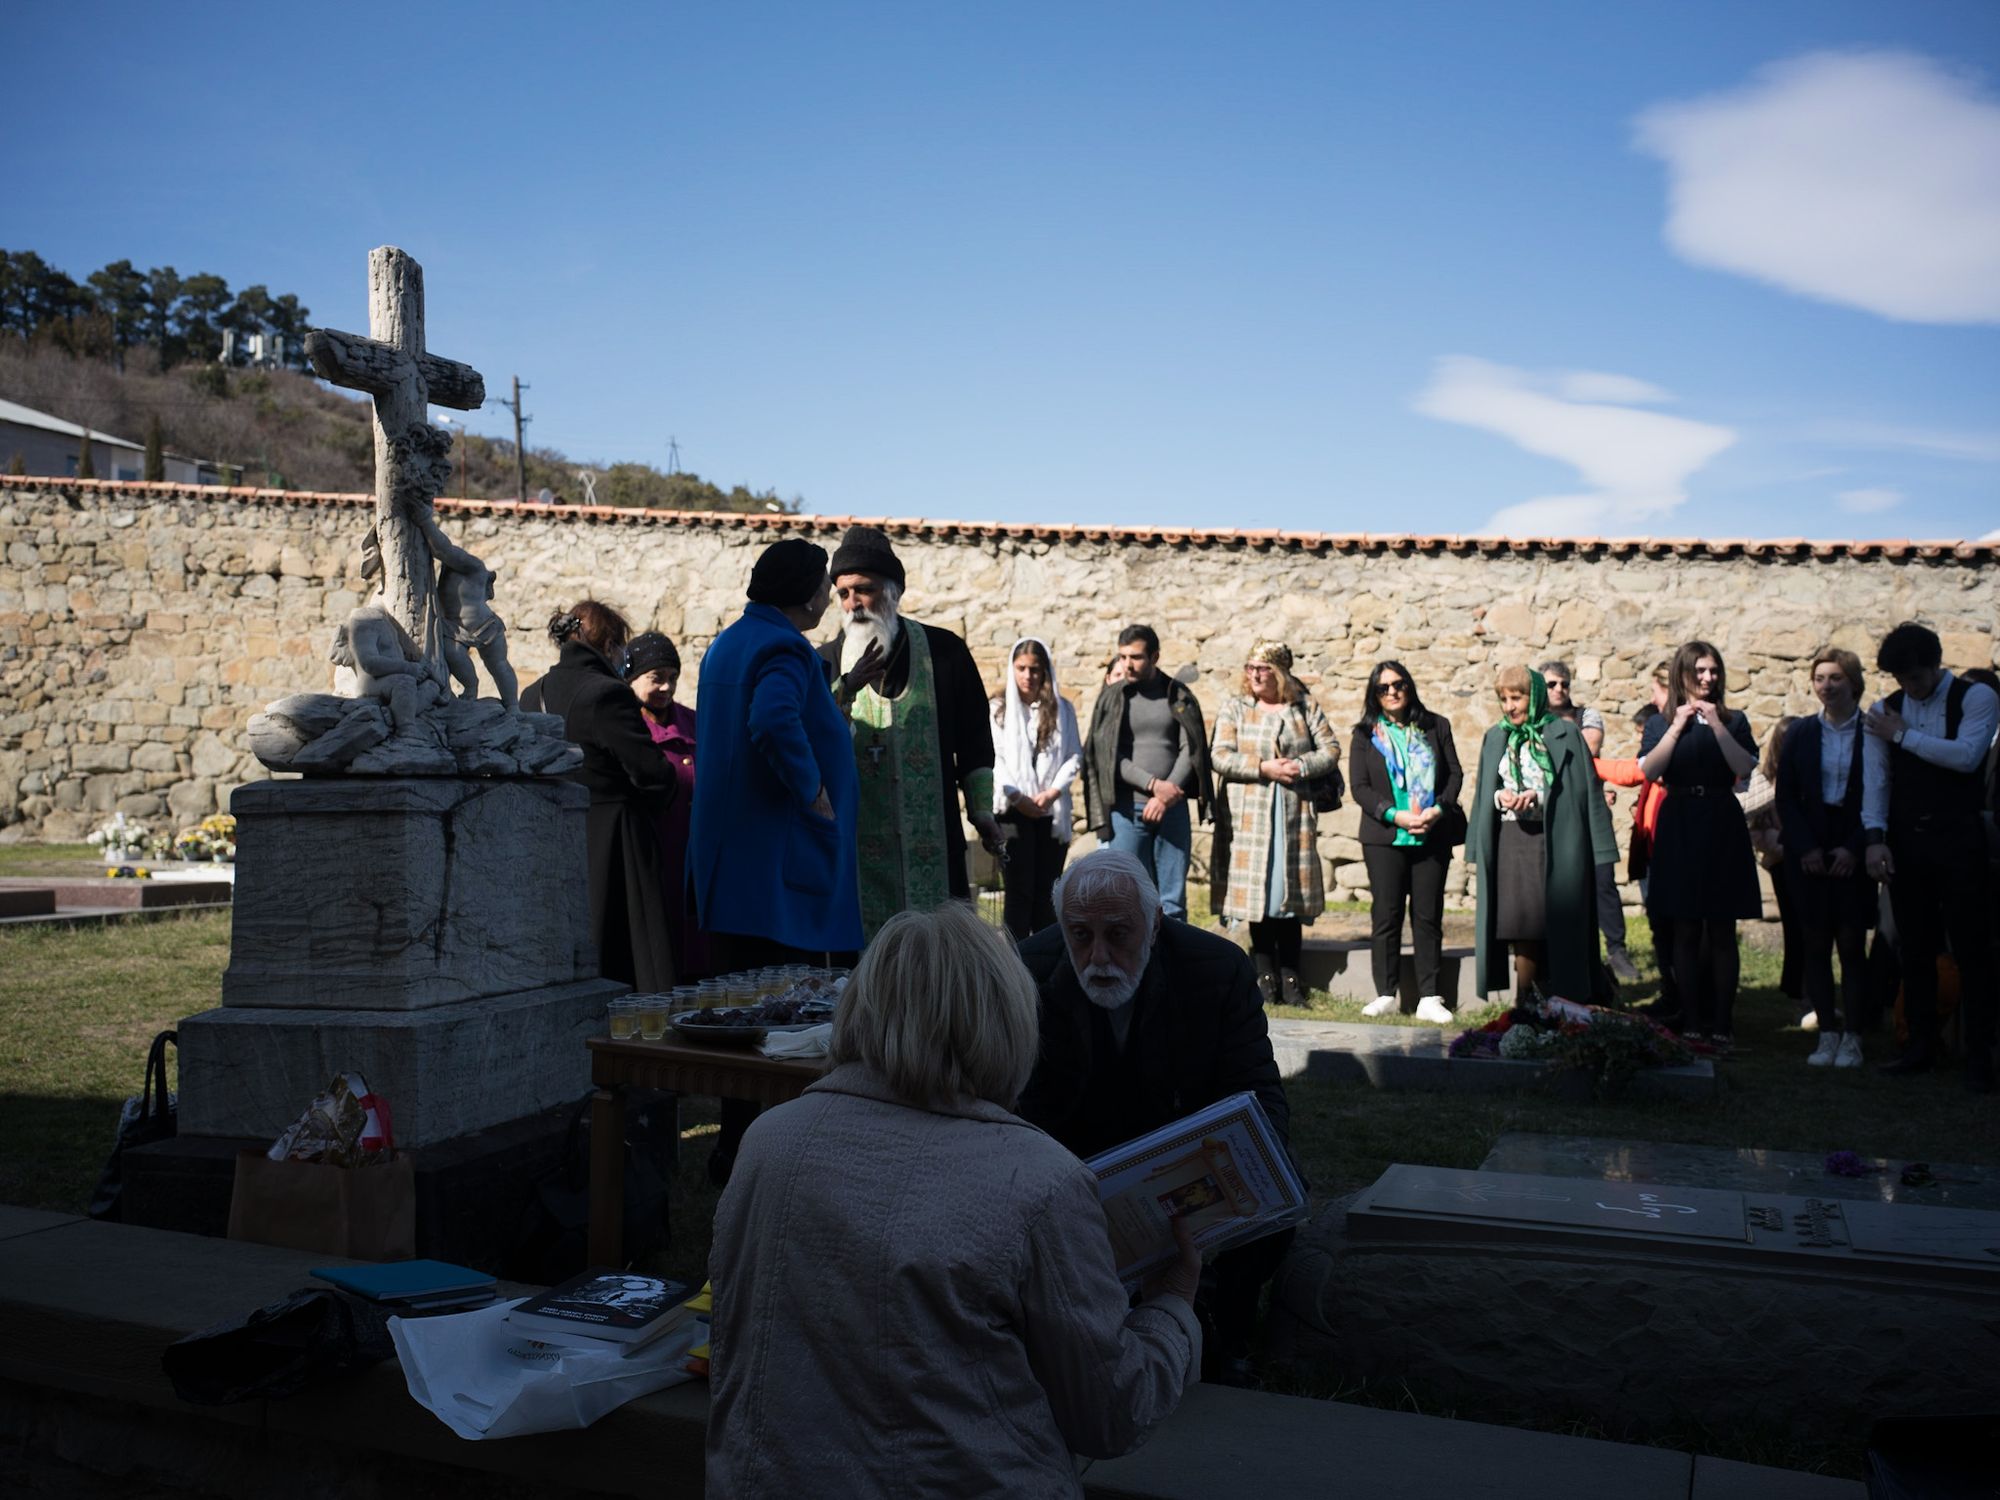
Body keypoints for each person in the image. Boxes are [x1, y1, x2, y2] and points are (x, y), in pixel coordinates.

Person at [706, 901, 1202, 1498]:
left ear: (861, 1005)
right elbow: (1113, 1414)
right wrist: (1172, 1305)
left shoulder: (769, 1142)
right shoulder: (1039, 1181)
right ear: (1008, 1018)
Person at [1016, 849, 1291, 1386]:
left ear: (1156, 923)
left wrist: (1234, 1171)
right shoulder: (1027, 972)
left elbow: (1258, 1096)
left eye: (1118, 935)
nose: (1098, 957)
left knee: (1272, 1190)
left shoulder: (1216, 968)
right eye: (1080, 934)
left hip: (1187, 1156)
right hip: (1076, 1164)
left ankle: (1220, 1336)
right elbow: (1018, 1106)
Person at [692, 540, 864, 1184]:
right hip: (773, 875)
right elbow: (772, 720)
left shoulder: (729, 644)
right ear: (802, 590)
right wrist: (814, 793)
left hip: (734, 869)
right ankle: (764, 1160)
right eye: (824, 584)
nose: (829, 596)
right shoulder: (784, 647)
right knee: (778, 1026)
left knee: (740, 1019)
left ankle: (734, 1151)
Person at [817, 526, 1001, 939]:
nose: (853, 604)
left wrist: (982, 811)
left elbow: (975, 739)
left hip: (934, 842)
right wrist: (845, 690)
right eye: (843, 594)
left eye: (863, 590)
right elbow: (810, 736)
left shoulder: (945, 652)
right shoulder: (825, 663)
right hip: (857, 847)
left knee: (940, 956)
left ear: (893, 591)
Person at [1863, 622, 1999, 1091]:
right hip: (1906, 841)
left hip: (1960, 838)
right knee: (1914, 948)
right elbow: (1877, 780)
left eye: (1916, 678)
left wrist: (1902, 736)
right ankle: (1918, 1045)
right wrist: (1875, 837)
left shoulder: (1977, 698)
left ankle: (1979, 1055)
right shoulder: (1885, 711)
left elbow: (1966, 756)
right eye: (1901, 679)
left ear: (1936, 665)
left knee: (1972, 947)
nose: (1909, 688)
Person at [521, 601, 678, 991]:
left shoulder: (530, 693)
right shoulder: (606, 694)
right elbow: (652, 773)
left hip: (551, 835)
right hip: (614, 841)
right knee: (629, 961)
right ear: (610, 645)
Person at [1467, 666, 1617, 1006]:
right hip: (1512, 839)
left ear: (1534, 697)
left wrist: (1539, 796)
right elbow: (1487, 790)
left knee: (1558, 923)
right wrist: (1500, 798)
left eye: (1516, 697)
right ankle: (1525, 1003)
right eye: (1503, 699)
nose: (1510, 706)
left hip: (1555, 839)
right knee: (1522, 925)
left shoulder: (1563, 733)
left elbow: (1583, 790)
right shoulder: (1497, 737)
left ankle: (1565, 1000)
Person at [1639, 641, 1761, 1046]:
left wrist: (1717, 723)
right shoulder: (1660, 722)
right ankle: (1691, 1020)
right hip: (1679, 821)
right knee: (1685, 927)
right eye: (1701, 671)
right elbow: (1651, 769)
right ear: (1683, 675)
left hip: (1721, 820)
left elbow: (1743, 768)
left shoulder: (1735, 720)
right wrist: (1677, 725)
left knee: (1722, 928)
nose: (1708, 678)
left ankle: (1722, 1022)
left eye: (1714, 671)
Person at [1208, 642, 1341, 1007]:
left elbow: (1330, 749)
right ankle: (1264, 975)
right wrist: (1262, 767)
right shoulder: (1236, 708)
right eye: (1250, 667)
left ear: (1279, 672)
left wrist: (1299, 766)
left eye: (1263, 668)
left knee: (1289, 894)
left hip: (1293, 814)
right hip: (1250, 817)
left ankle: (1292, 975)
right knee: (1259, 896)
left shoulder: (1303, 707)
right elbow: (1219, 755)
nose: (1255, 674)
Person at [1348, 660, 1466, 1023]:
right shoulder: (1365, 734)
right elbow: (1360, 788)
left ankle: (1429, 996)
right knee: (1386, 915)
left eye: (1398, 684)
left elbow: (1454, 774)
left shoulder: (1435, 726)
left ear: (1409, 686)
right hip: (1386, 836)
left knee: (1428, 916)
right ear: (1375, 694)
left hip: (1430, 834)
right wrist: (1394, 814)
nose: (1393, 692)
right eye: (1383, 688)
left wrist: (1438, 810)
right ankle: (1386, 992)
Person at [1778, 649, 1873, 1069]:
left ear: (1853, 682)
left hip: (1854, 839)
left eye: (1835, 678)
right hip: (1811, 845)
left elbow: (1880, 790)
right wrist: (1806, 847)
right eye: (1820, 678)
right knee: (1815, 941)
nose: (1827, 686)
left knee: (1851, 943)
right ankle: (1827, 1034)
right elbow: (1787, 795)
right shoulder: (1801, 733)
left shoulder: (1872, 731)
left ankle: (1854, 1035)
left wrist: (1856, 846)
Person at [1081, 625, 1215, 921]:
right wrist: (1153, 785)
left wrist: (1166, 794)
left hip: (1173, 810)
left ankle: (1170, 964)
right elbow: (1106, 754)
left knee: (1172, 901)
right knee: (1125, 898)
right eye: (1123, 656)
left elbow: (1191, 748)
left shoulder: (1177, 694)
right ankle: (1130, 966)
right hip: (1127, 812)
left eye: (1136, 657)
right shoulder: (1112, 698)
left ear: (1155, 656)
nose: (1127, 664)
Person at [1542, 660, 1638, 983]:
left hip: (1588, 811)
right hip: (1551, 814)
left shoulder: (1587, 715)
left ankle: (1616, 950)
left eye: (1564, 683)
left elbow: (1586, 748)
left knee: (1602, 883)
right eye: (1552, 684)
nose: (1559, 689)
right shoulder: (1535, 721)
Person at [625, 631, 708, 979]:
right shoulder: (627, 726)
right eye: (656, 678)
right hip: (656, 849)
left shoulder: (692, 721)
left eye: (672, 678)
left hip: (695, 850)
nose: (666, 688)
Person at [988, 636, 1083, 939]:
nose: (1028, 676)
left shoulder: (1061, 709)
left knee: (1047, 890)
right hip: (1013, 811)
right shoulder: (998, 709)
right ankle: (1014, 962)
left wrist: (1053, 791)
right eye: (1022, 668)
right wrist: (1017, 796)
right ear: (1012, 669)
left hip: (1049, 809)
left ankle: (1046, 958)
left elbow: (1073, 755)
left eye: (1035, 669)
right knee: (1019, 890)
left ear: (1045, 672)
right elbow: (994, 758)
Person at [417, 510, 519, 711]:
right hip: (456, 630)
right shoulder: (447, 570)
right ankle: (471, 688)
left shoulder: (473, 565)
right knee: (453, 655)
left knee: (499, 665)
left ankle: (513, 705)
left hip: (485, 626)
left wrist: (423, 520)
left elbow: (442, 549)